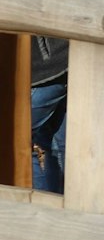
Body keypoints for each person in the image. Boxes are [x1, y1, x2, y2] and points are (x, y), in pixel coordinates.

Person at [29, 35, 68, 194]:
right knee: (55, 146)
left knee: (18, 140)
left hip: (44, 67)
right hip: (62, 61)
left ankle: (43, 209)